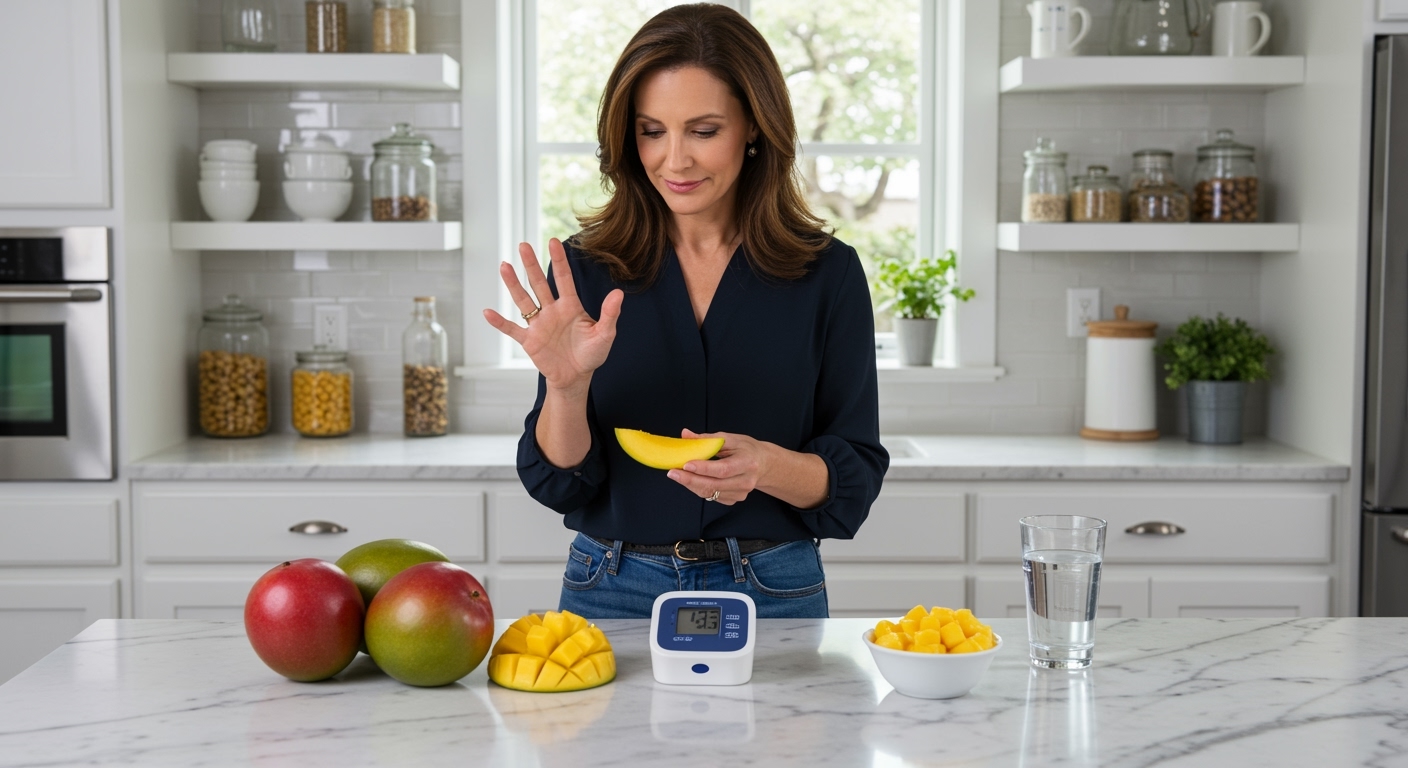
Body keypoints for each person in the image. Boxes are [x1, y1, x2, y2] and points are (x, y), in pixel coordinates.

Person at [483, 3, 887, 619]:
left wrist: (768, 467)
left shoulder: (828, 275)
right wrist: (566, 389)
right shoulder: (584, 271)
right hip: (611, 586)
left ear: (754, 127)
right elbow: (562, 480)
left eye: (703, 131)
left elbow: (853, 474)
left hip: (774, 586)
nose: (675, 160)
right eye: (652, 131)